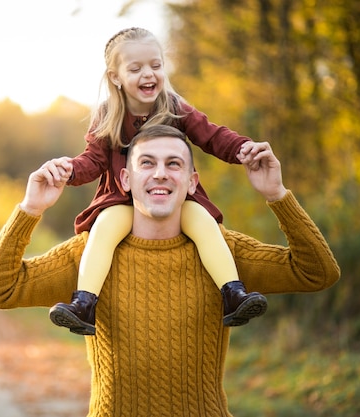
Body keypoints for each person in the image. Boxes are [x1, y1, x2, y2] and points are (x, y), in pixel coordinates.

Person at [0, 124, 340, 417]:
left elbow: (317, 272)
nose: (160, 174)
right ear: (126, 181)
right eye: (147, 163)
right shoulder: (88, 258)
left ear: (192, 182)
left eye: (174, 164)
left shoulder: (223, 253)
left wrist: (277, 195)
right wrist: (30, 209)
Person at [47, 27, 267, 335]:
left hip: (171, 198)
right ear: (115, 77)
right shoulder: (109, 114)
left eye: (156, 65)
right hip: (122, 198)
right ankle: (84, 304)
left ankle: (233, 294)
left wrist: (243, 148)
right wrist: (68, 170)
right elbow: (93, 160)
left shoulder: (175, 107)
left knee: (203, 221)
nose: (148, 74)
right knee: (104, 228)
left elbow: (212, 136)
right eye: (135, 68)